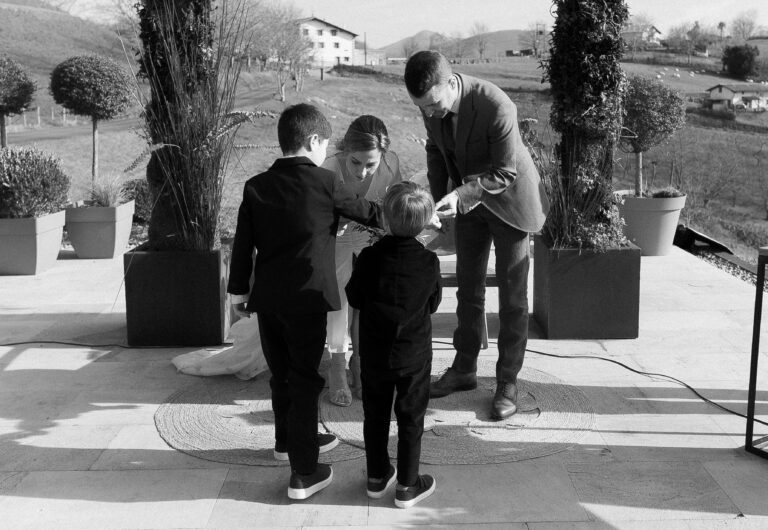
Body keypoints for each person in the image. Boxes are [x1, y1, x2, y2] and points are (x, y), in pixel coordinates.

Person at [226, 103, 384, 501]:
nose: (324, 151)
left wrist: (237, 292)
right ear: (313, 140)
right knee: (304, 379)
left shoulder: (256, 186)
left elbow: (242, 244)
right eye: (325, 144)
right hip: (308, 300)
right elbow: (366, 212)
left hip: (268, 302)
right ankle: (305, 471)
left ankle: (286, 442)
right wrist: (409, 215)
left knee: (281, 375)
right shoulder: (326, 182)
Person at [403, 50, 549, 420]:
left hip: (511, 201)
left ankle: (507, 381)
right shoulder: (430, 104)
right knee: (469, 289)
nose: (430, 113)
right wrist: (439, 201)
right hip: (468, 201)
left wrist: (461, 194)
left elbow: (504, 173)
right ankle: (465, 369)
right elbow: (436, 150)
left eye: (434, 105)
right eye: (423, 108)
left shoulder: (496, 104)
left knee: (514, 295)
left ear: (451, 84)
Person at [346, 181, 442, 509]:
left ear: (385, 220)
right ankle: (407, 484)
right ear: (426, 222)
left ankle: (376, 476)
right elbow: (432, 303)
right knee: (411, 417)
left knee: (375, 414)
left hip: (374, 352)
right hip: (414, 354)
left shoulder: (369, 258)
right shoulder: (429, 262)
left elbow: (354, 297)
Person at [321, 115, 403, 407]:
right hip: (337, 238)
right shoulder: (329, 167)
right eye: (355, 162)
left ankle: (362, 361)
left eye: (371, 164)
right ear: (345, 151)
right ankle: (338, 364)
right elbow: (316, 213)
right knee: (340, 297)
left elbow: (393, 207)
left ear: (383, 155)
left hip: (372, 237)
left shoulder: (392, 163)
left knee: (370, 300)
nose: (363, 172)